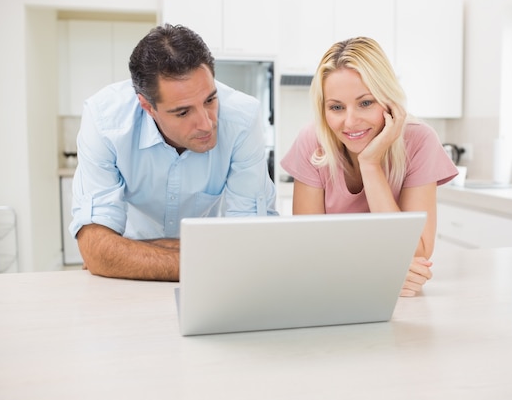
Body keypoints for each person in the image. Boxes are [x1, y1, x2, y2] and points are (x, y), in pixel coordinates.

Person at [70, 24, 278, 281]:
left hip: (184, 275)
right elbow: (97, 249)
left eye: (210, 100)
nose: (207, 123)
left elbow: (249, 245)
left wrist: (122, 254)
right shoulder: (104, 120)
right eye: (183, 112)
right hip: (134, 280)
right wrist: (106, 255)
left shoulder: (243, 119)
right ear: (147, 106)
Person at [280, 37, 457, 297]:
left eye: (365, 103)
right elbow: (308, 250)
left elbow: (416, 251)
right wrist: (381, 270)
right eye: (336, 107)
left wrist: (370, 164)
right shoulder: (312, 142)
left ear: (389, 101)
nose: (350, 122)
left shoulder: (419, 141)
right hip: (330, 294)